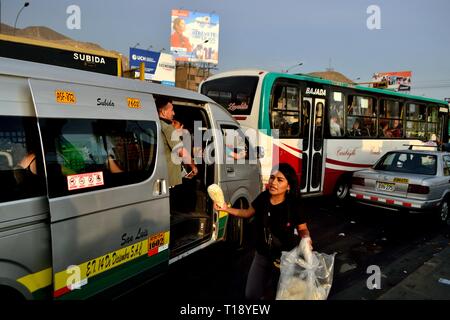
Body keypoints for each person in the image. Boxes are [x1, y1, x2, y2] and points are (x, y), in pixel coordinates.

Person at [214, 163, 312, 300]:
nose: (273, 182)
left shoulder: (294, 204)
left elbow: (302, 229)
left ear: (288, 186)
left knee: (280, 294)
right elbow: (247, 213)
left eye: (280, 180)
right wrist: (225, 208)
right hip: (262, 255)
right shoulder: (263, 197)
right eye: (272, 178)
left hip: (285, 259)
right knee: (251, 294)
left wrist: (306, 239)